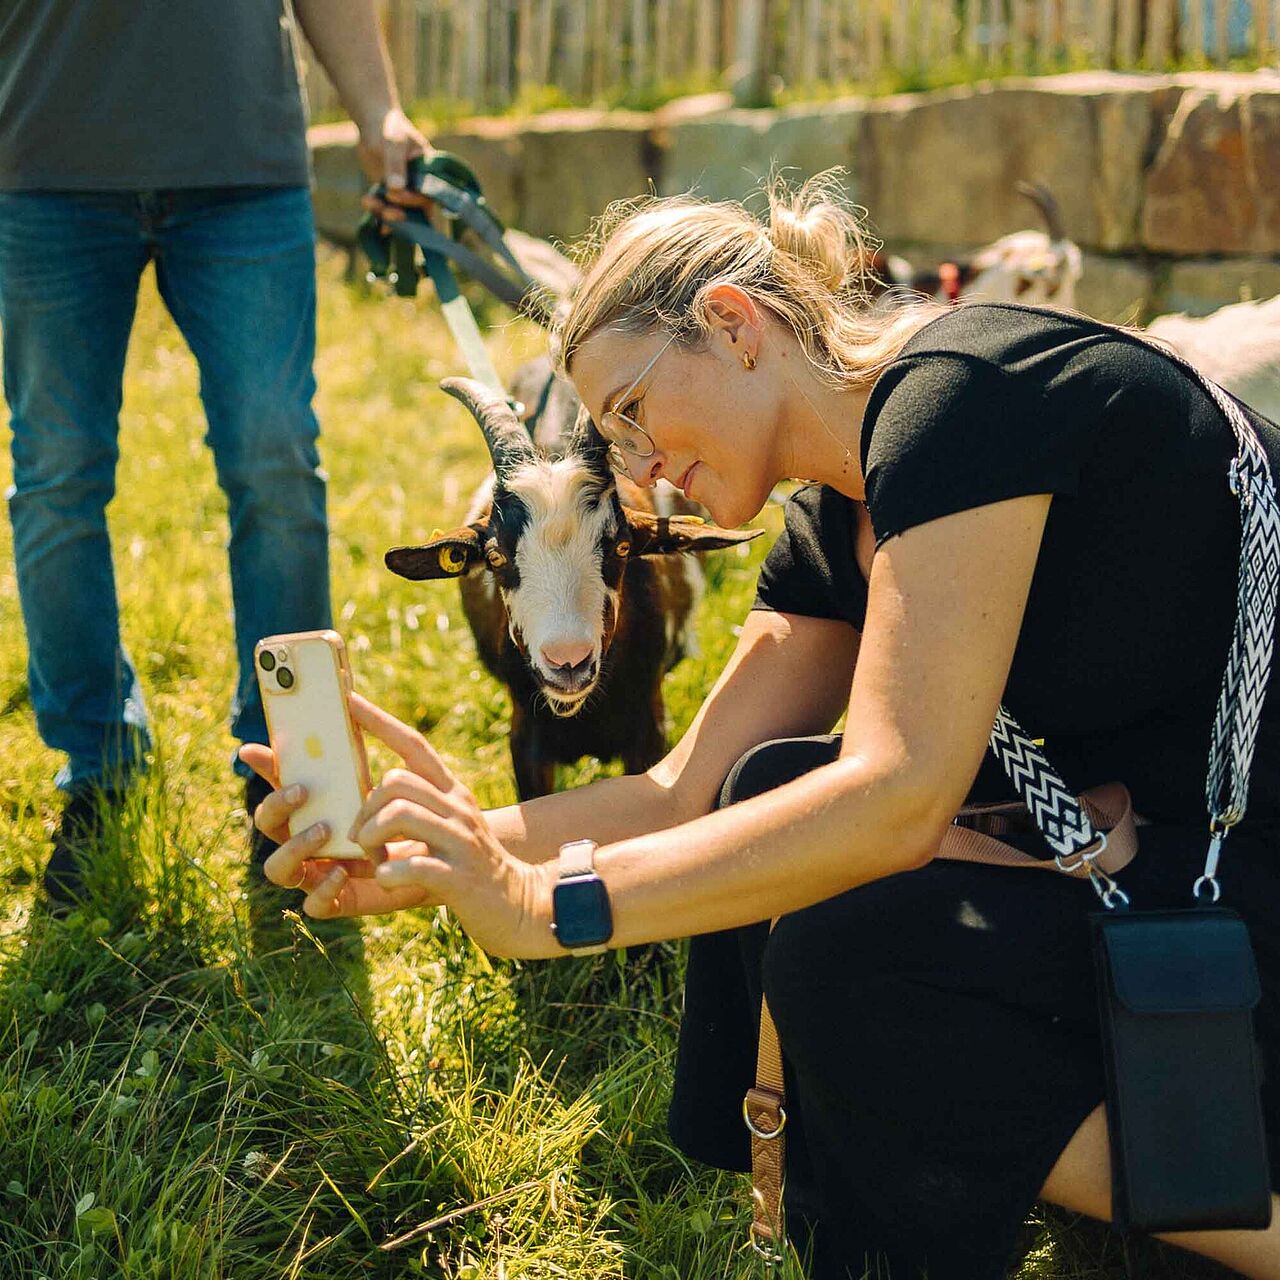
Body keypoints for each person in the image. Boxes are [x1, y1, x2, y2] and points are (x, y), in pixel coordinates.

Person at [243, 175, 1280, 1279]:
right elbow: (680, 788)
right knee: (763, 787)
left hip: (1227, 895)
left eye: (633, 414)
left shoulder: (965, 395)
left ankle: (1236, 1216)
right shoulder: (838, 513)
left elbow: (894, 795)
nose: (636, 473)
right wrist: (445, 846)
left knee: (848, 939)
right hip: (1151, 886)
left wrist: (547, 908)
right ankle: (951, 1214)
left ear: (735, 325)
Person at [0, 0, 429, 903]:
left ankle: (290, 765)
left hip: (244, 169)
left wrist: (378, 110)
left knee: (274, 457)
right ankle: (97, 766)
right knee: (56, 474)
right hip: (44, 170)